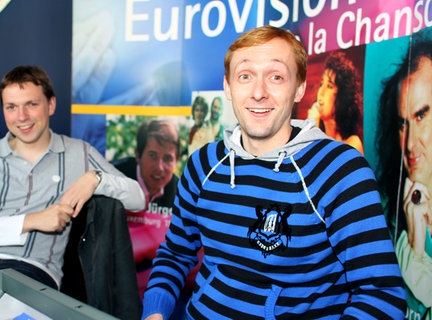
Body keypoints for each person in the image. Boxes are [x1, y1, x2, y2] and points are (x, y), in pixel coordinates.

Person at [141, 25, 406, 320]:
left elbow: (382, 296)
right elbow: (175, 253)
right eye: (245, 76)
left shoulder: (340, 170)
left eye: (276, 77)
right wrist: (155, 312)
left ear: (300, 88)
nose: (258, 93)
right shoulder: (203, 164)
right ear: (228, 87)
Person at [0, 65, 145, 292]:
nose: (22, 117)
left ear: (51, 105)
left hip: (30, 270)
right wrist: (35, 220)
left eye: (31, 105)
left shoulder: (78, 153)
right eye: (11, 107)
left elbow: (138, 198)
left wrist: (95, 179)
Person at [376, 33, 432, 320]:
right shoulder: (385, 212)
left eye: (422, 115)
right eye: (402, 124)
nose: (409, 144)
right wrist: (414, 247)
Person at [112, 119, 181, 297]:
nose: (160, 167)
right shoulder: (114, 178)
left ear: (177, 161)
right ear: (137, 155)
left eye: (167, 159)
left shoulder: (181, 192)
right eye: (152, 156)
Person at [307, 50, 364, 154]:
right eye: (321, 84)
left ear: (341, 96)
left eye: (329, 86)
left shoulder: (352, 144)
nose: (321, 92)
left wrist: (312, 133)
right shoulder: (314, 134)